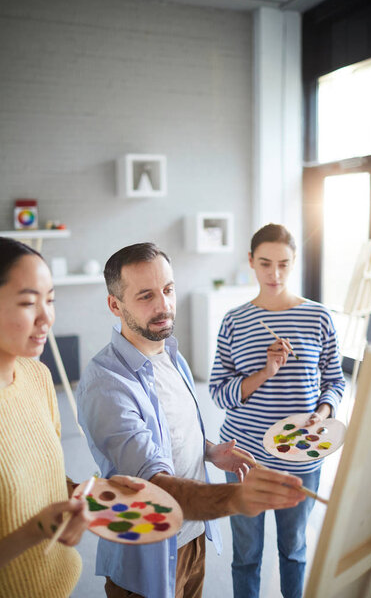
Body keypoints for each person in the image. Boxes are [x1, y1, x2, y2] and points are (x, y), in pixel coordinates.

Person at [76, 242, 307, 598]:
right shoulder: (105, 383)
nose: (164, 305)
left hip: (194, 533)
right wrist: (235, 499)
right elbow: (152, 483)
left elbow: (170, 433)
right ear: (114, 305)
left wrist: (211, 452)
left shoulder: (170, 353)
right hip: (148, 551)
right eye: (146, 296)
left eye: (168, 290)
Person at [0, 236, 142, 597]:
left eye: (51, 300)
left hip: (59, 582)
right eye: (28, 303)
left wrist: (96, 494)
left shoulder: (37, 377)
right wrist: (34, 531)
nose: (47, 318)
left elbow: (44, 478)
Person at [209, 223, 345, 598]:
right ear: (251, 261)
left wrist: (324, 409)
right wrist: (265, 372)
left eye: (284, 264)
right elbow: (219, 394)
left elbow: (336, 381)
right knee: (247, 555)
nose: (275, 274)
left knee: (295, 550)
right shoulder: (235, 321)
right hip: (244, 458)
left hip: (303, 455)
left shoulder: (319, 318)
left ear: (294, 262)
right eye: (265, 263)